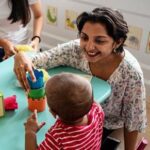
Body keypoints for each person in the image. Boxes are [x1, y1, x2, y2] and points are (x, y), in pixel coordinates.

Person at [14, 7, 147, 150]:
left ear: (118, 42)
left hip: (104, 126)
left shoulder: (131, 74)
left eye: (100, 41)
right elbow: (38, 59)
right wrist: (20, 56)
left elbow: (133, 120)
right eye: (84, 37)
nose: (89, 47)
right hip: (73, 117)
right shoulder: (74, 50)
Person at [24, 73, 104, 150]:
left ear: (53, 112)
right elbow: (86, 99)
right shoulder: (97, 110)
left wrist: (30, 131)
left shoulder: (58, 138)